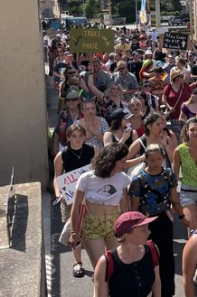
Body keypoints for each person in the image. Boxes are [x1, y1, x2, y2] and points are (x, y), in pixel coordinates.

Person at [130, 145, 187, 297]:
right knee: (147, 256)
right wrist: (134, 227)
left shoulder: (168, 175)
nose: (156, 162)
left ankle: (167, 293)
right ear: (146, 159)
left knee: (167, 257)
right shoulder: (138, 179)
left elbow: (174, 199)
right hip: (145, 222)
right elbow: (135, 206)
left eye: (159, 159)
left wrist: (182, 216)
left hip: (164, 218)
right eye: (152, 159)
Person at [68, 143, 131, 271]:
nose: (125, 165)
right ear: (111, 160)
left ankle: (109, 291)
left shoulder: (123, 178)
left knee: (115, 268)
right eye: (122, 162)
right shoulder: (86, 178)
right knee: (101, 270)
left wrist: (126, 228)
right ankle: (99, 290)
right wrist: (74, 232)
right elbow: (76, 206)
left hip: (114, 225)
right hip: (92, 226)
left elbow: (124, 205)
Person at [53, 125, 94, 278]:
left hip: (91, 195)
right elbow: (57, 178)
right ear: (68, 138)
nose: (77, 139)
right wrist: (58, 194)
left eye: (80, 136)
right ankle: (78, 262)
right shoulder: (62, 155)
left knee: (93, 225)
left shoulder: (92, 150)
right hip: (71, 198)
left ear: (85, 137)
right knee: (74, 229)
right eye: (74, 136)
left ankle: (101, 260)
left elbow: (100, 169)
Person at [92, 211, 161, 297]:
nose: (149, 232)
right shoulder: (106, 263)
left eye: (147, 228)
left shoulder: (152, 250)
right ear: (127, 236)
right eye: (143, 230)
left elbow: (156, 282)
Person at [51, 91, 84, 155]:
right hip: (64, 145)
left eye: (74, 99)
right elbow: (57, 131)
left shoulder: (83, 115)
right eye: (68, 100)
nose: (71, 102)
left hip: (81, 146)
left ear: (78, 101)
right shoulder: (63, 114)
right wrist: (55, 147)